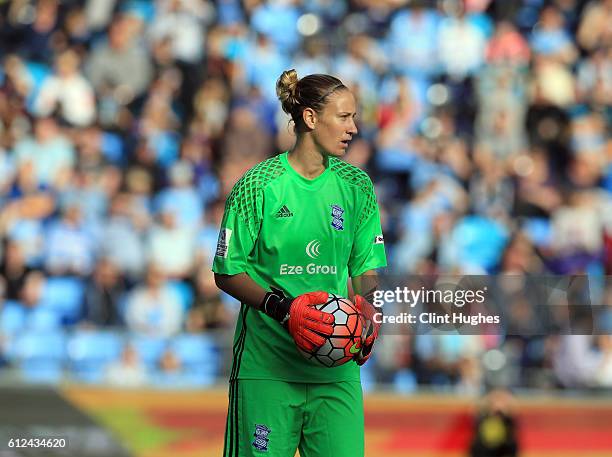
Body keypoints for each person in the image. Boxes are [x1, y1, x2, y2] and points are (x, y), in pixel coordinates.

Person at [213, 69, 387, 457]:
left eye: (354, 117)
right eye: (344, 117)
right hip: (268, 368)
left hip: (336, 370)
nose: (353, 128)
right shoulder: (258, 185)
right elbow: (227, 271)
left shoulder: (358, 186)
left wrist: (369, 311)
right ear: (310, 118)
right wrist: (285, 309)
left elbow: (364, 270)